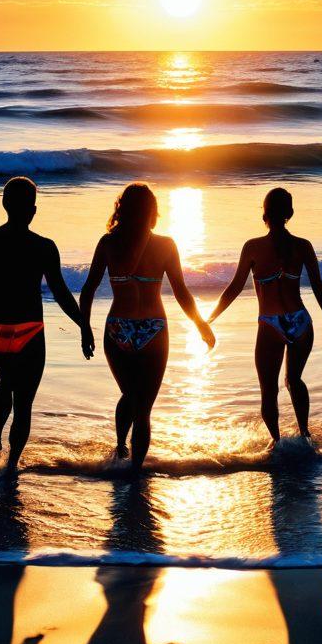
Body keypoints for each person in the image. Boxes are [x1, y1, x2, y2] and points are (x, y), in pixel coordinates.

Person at [0, 176, 83, 474]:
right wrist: (83, 324)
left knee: (7, 382)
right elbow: (61, 292)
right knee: (23, 401)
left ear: (4, 204)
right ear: (33, 210)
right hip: (29, 331)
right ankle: (10, 467)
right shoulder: (44, 247)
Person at [79, 182, 215, 472]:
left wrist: (85, 328)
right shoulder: (165, 244)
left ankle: (121, 450)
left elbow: (88, 289)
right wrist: (200, 324)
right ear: (153, 211)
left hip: (118, 327)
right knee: (143, 408)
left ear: (122, 208)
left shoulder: (109, 243)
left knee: (131, 396)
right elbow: (181, 292)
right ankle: (134, 472)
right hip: (154, 329)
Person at [208, 187, 322, 444]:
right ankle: (304, 437)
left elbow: (234, 288)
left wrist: (209, 318)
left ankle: (277, 444)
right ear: (290, 213)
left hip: (270, 323)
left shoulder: (253, 247)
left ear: (264, 213)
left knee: (269, 391)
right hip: (300, 320)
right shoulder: (302, 245)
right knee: (295, 380)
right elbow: (318, 286)